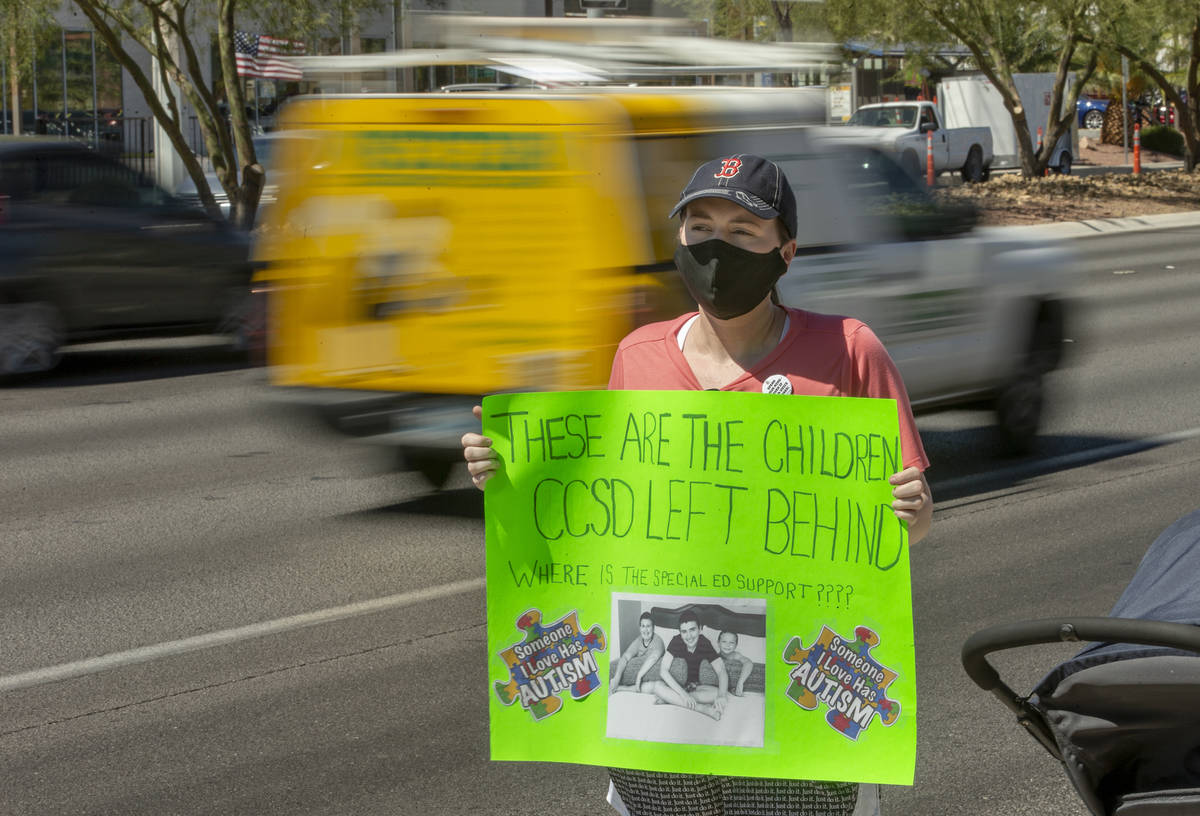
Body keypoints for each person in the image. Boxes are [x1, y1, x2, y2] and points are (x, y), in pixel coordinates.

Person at [463, 152, 930, 815]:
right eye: (700, 228)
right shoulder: (639, 355)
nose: (717, 247)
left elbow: (912, 520)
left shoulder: (850, 350)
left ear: (786, 252)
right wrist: (509, 474)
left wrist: (912, 512)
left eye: (744, 233)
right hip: (662, 719)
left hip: (795, 705)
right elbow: (605, 512)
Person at [649, 610, 728, 721]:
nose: (689, 636)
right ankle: (702, 709)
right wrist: (684, 695)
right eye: (684, 632)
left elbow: (721, 670)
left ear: (700, 629)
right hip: (678, 687)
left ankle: (670, 699)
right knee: (657, 686)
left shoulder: (705, 643)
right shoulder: (676, 641)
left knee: (717, 693)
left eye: (692, 630)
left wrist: (722, 696)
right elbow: (663, 670)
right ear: (680, 633)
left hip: (695, 688)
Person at [612, 611, 666, 694]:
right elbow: (625, 657)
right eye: (643, 626)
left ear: (653, 628)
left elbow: (654, 657)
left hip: (652, 675)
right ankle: (619, 685)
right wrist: (617, 677)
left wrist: (639, 676)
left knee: (655, 685)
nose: (645, 630)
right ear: (640, 628)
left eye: (648, 626)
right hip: (637, 676)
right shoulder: (638, 640)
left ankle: (621, 688)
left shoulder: (658, 641)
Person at [716, 631, 750, 697]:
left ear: (736, 645)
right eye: (724, 641)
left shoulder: (736, 655)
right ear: (718, 643)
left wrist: (740, 683)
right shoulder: (715, 657)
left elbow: (748, 663)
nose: (727, 645)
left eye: (731, 642)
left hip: (735, 683)